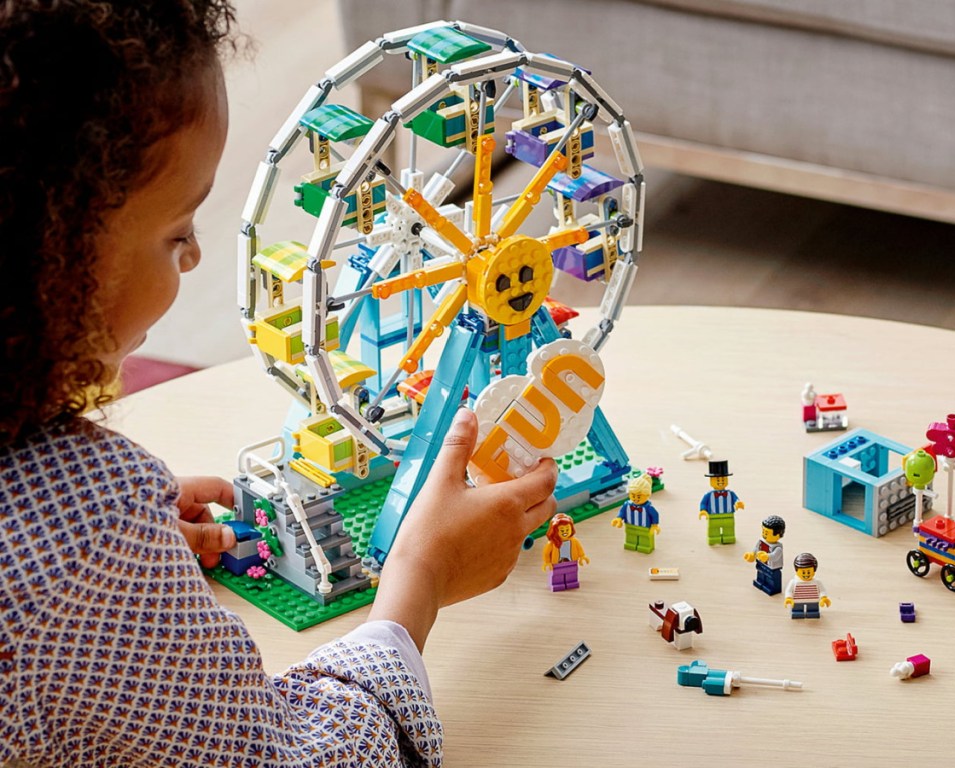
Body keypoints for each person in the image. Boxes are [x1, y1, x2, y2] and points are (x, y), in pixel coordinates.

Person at [0, 3, 557, 766]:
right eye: (178, 231)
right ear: (51, 254)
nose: (193, 257)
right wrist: (419, 584)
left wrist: (126, 564)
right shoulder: (87, 527)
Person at [698, 459, 744, 545]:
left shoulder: (731, 493)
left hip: (728, 515)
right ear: (711, 481)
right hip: (713, 517)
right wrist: (703, 510)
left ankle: (729, 537)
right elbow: (703, 503)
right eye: (717, 479)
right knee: (713, 529)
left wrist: (738, 503)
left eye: (723, 479)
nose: (720, 481)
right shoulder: (708, 495)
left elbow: (736, 500)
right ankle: (714, 538)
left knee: (729, 528)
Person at [611, 472, 660, 553]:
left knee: (645, 539)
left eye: (639, 496)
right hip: (630, 525)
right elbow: (622, 512)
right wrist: (619, 518)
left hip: (645, 527)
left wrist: (655, 525)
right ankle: (631, 545)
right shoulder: (627, 505)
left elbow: (655, 515)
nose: (635, 498)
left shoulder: (648, 507)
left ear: (647, 495)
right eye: (633, 495)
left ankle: (645, 547)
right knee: (631, 537)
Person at [542, 513, 590, 591]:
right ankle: (557, 584)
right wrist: (547, 562)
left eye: (567, 529)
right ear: (554, 531)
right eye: (562, 530)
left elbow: (579, 549)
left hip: (572, 562)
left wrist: (582, 556)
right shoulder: (552, 543)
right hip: (557, 564)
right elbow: (546, 553)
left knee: (572, 573)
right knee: (557, 575)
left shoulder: (574, 541)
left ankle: (571, 582)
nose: (565, 532)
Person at [743, 515, 786, 596]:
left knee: (771, 578)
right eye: (763, 531)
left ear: (778, 535)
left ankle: (771, 588)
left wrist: (767, 556)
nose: (764, 534)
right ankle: (760, 582)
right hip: (761, 563)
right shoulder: (761, 541)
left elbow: (775, 556)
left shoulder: (778, 547)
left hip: (772, 568)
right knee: (761, 573)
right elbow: (756, 548)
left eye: (767, 532)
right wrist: (752, 554)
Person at [784, 552, 831, 619]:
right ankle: (798, 612)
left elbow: (822, 590)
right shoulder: (794, 582)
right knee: (797, 611)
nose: (806, 574)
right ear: (796, 571)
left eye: (809, 572)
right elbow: (788, 591)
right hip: (797, 601)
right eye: (803, 572)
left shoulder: (817, 582)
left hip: (813, 601)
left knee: (813, 611)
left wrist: (823, 598)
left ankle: (812, 612)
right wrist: (788, 598)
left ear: (814, 570)